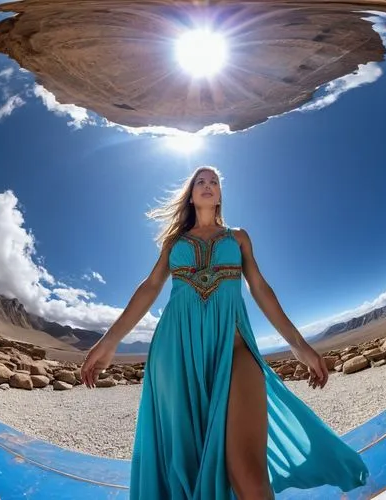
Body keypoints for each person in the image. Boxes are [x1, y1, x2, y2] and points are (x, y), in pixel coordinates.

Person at [80, 165, 369, 499]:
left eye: (213, 182)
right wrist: (110, 340)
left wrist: (299, 345)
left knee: (247, 473)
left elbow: (260, 288)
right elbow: (150, 287)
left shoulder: (239, 237)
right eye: (200, 182)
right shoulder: (175, 242)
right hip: (176, 354)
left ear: (219, 195)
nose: (207, 185)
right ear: (191, 194)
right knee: (184, 463)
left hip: (234, 347)